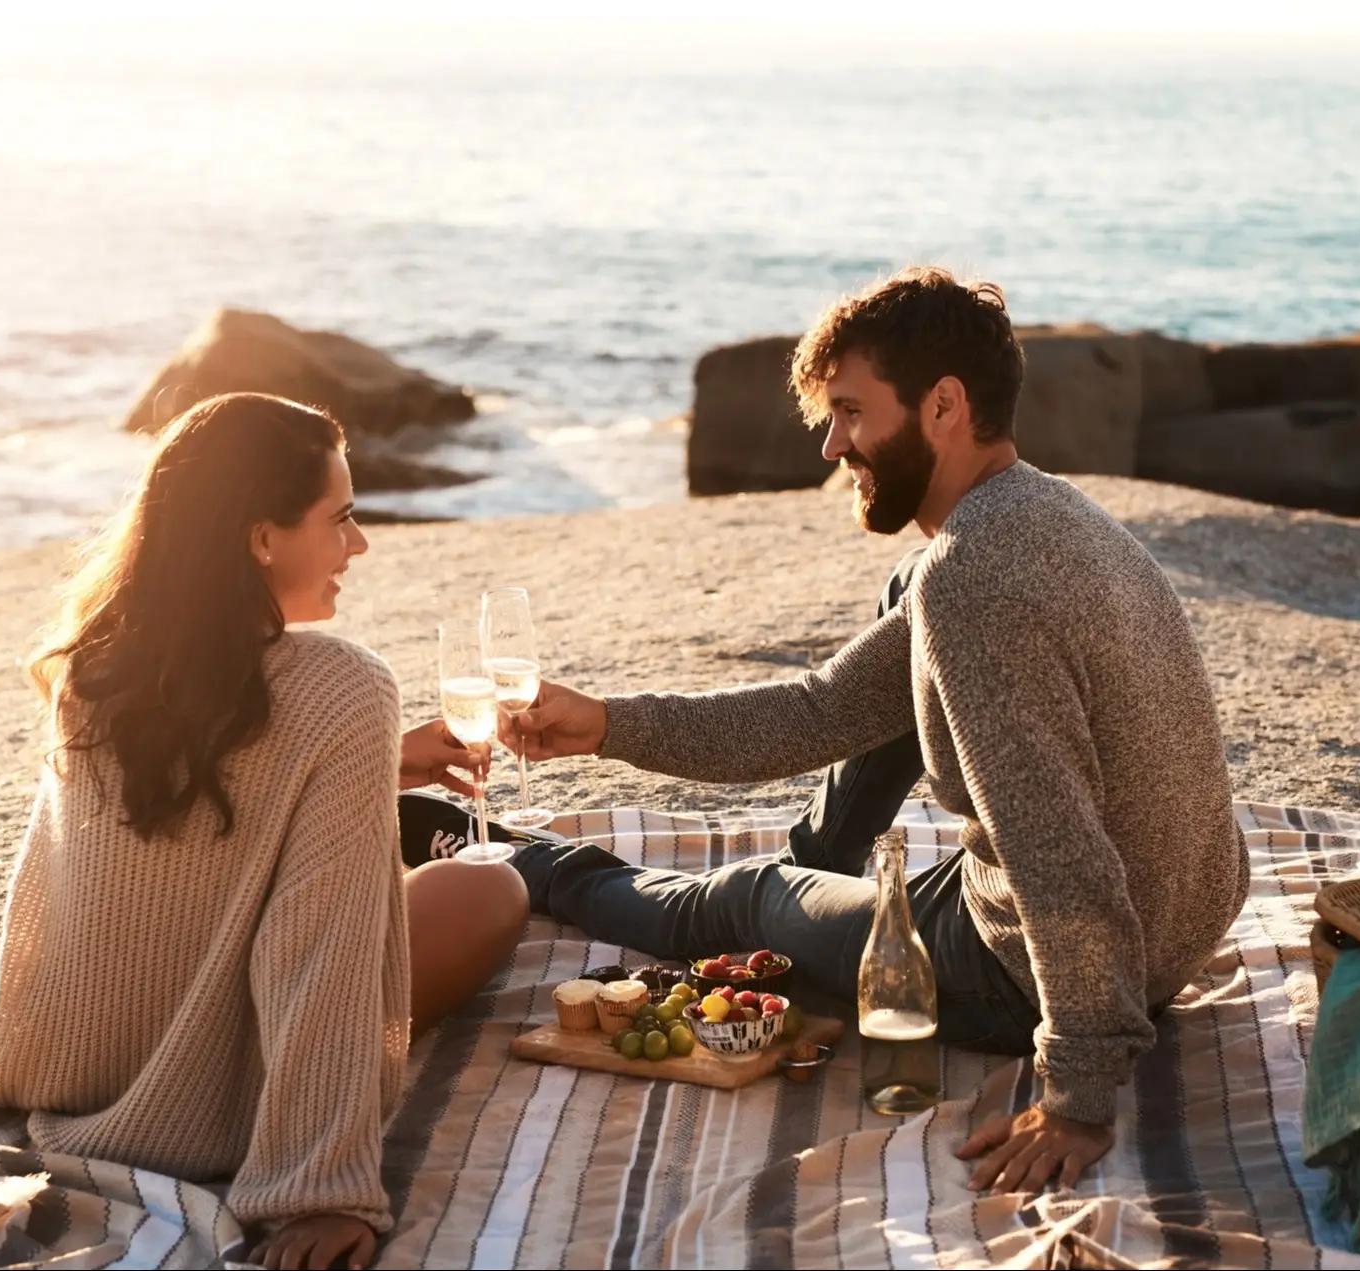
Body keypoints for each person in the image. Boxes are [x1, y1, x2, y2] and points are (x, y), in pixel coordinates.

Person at [502, 268, 1249, 1196]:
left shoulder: (975, 580)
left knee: (742, 899)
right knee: (911, 587)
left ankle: (522, 865)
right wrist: (608, 724)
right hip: (1176, 922)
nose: (830, 443)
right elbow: (821, 710)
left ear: (943, 405)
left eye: (852, 412)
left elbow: (1057, 850)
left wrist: (1078, 1092)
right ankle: (822, 870)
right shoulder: (1048, 511)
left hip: (1040, 970)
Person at [0, 393, 527, 1271]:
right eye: (342, 519)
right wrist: (317, 1188)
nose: (357, 547)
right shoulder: (344, 685)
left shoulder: (96, 665)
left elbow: (67, 884)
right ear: (260, 538)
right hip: (217, 1103)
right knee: (489, 885)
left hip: (64, 1061)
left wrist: (372, 765)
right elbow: (315, 943)